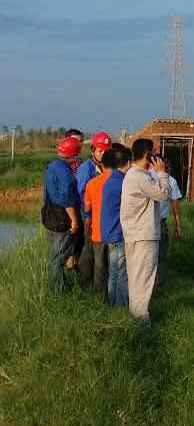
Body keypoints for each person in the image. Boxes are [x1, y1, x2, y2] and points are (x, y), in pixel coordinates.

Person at [120, 139, 170, 324]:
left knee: (136, 278)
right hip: (144, 236)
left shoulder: (135, 174)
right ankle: (141, 321)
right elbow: (164, 193)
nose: (157, 156)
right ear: (148, 154)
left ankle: (136, 316)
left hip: (136, 234)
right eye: (154, 152)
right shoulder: (140, 178)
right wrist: (162, 173)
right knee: (143, 280)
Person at [84, 145, 132, 306]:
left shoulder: (96, 183)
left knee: (106, 270)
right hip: (117, 233)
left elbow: (87, 211)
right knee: (119, 271)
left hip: (101, 233)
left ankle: (106, 301)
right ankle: (119, 304)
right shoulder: (122, 182)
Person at [42, 135, 83, 291]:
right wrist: (74, 220)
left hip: (51, 215)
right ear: (75, 154)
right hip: (62, 218)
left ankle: (60, 286)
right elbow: (67, 198)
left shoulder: (52, 166)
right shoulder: (65, 171)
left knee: (55, 255)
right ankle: (58, 290)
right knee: (58, 258)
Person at [76, 131, 112, 285]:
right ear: (92, 150)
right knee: (89, 248)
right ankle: (84, 281)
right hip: (89, 216)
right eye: (100, 151)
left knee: (100, 251)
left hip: (102, 215)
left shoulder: (107, 168)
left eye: (106, 151)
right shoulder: (86, 169)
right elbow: (81, 194)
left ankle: (99, 281)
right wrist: (86, 216)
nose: (103, 154)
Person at [149, 153, 182, 290]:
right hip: (159, 223)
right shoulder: (170, 180)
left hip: (143, 224)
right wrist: (178, 224)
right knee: (160, 256)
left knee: (146, 257)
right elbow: (175, 204)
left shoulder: (142, 177)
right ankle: (158, 286)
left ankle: (146, 287)